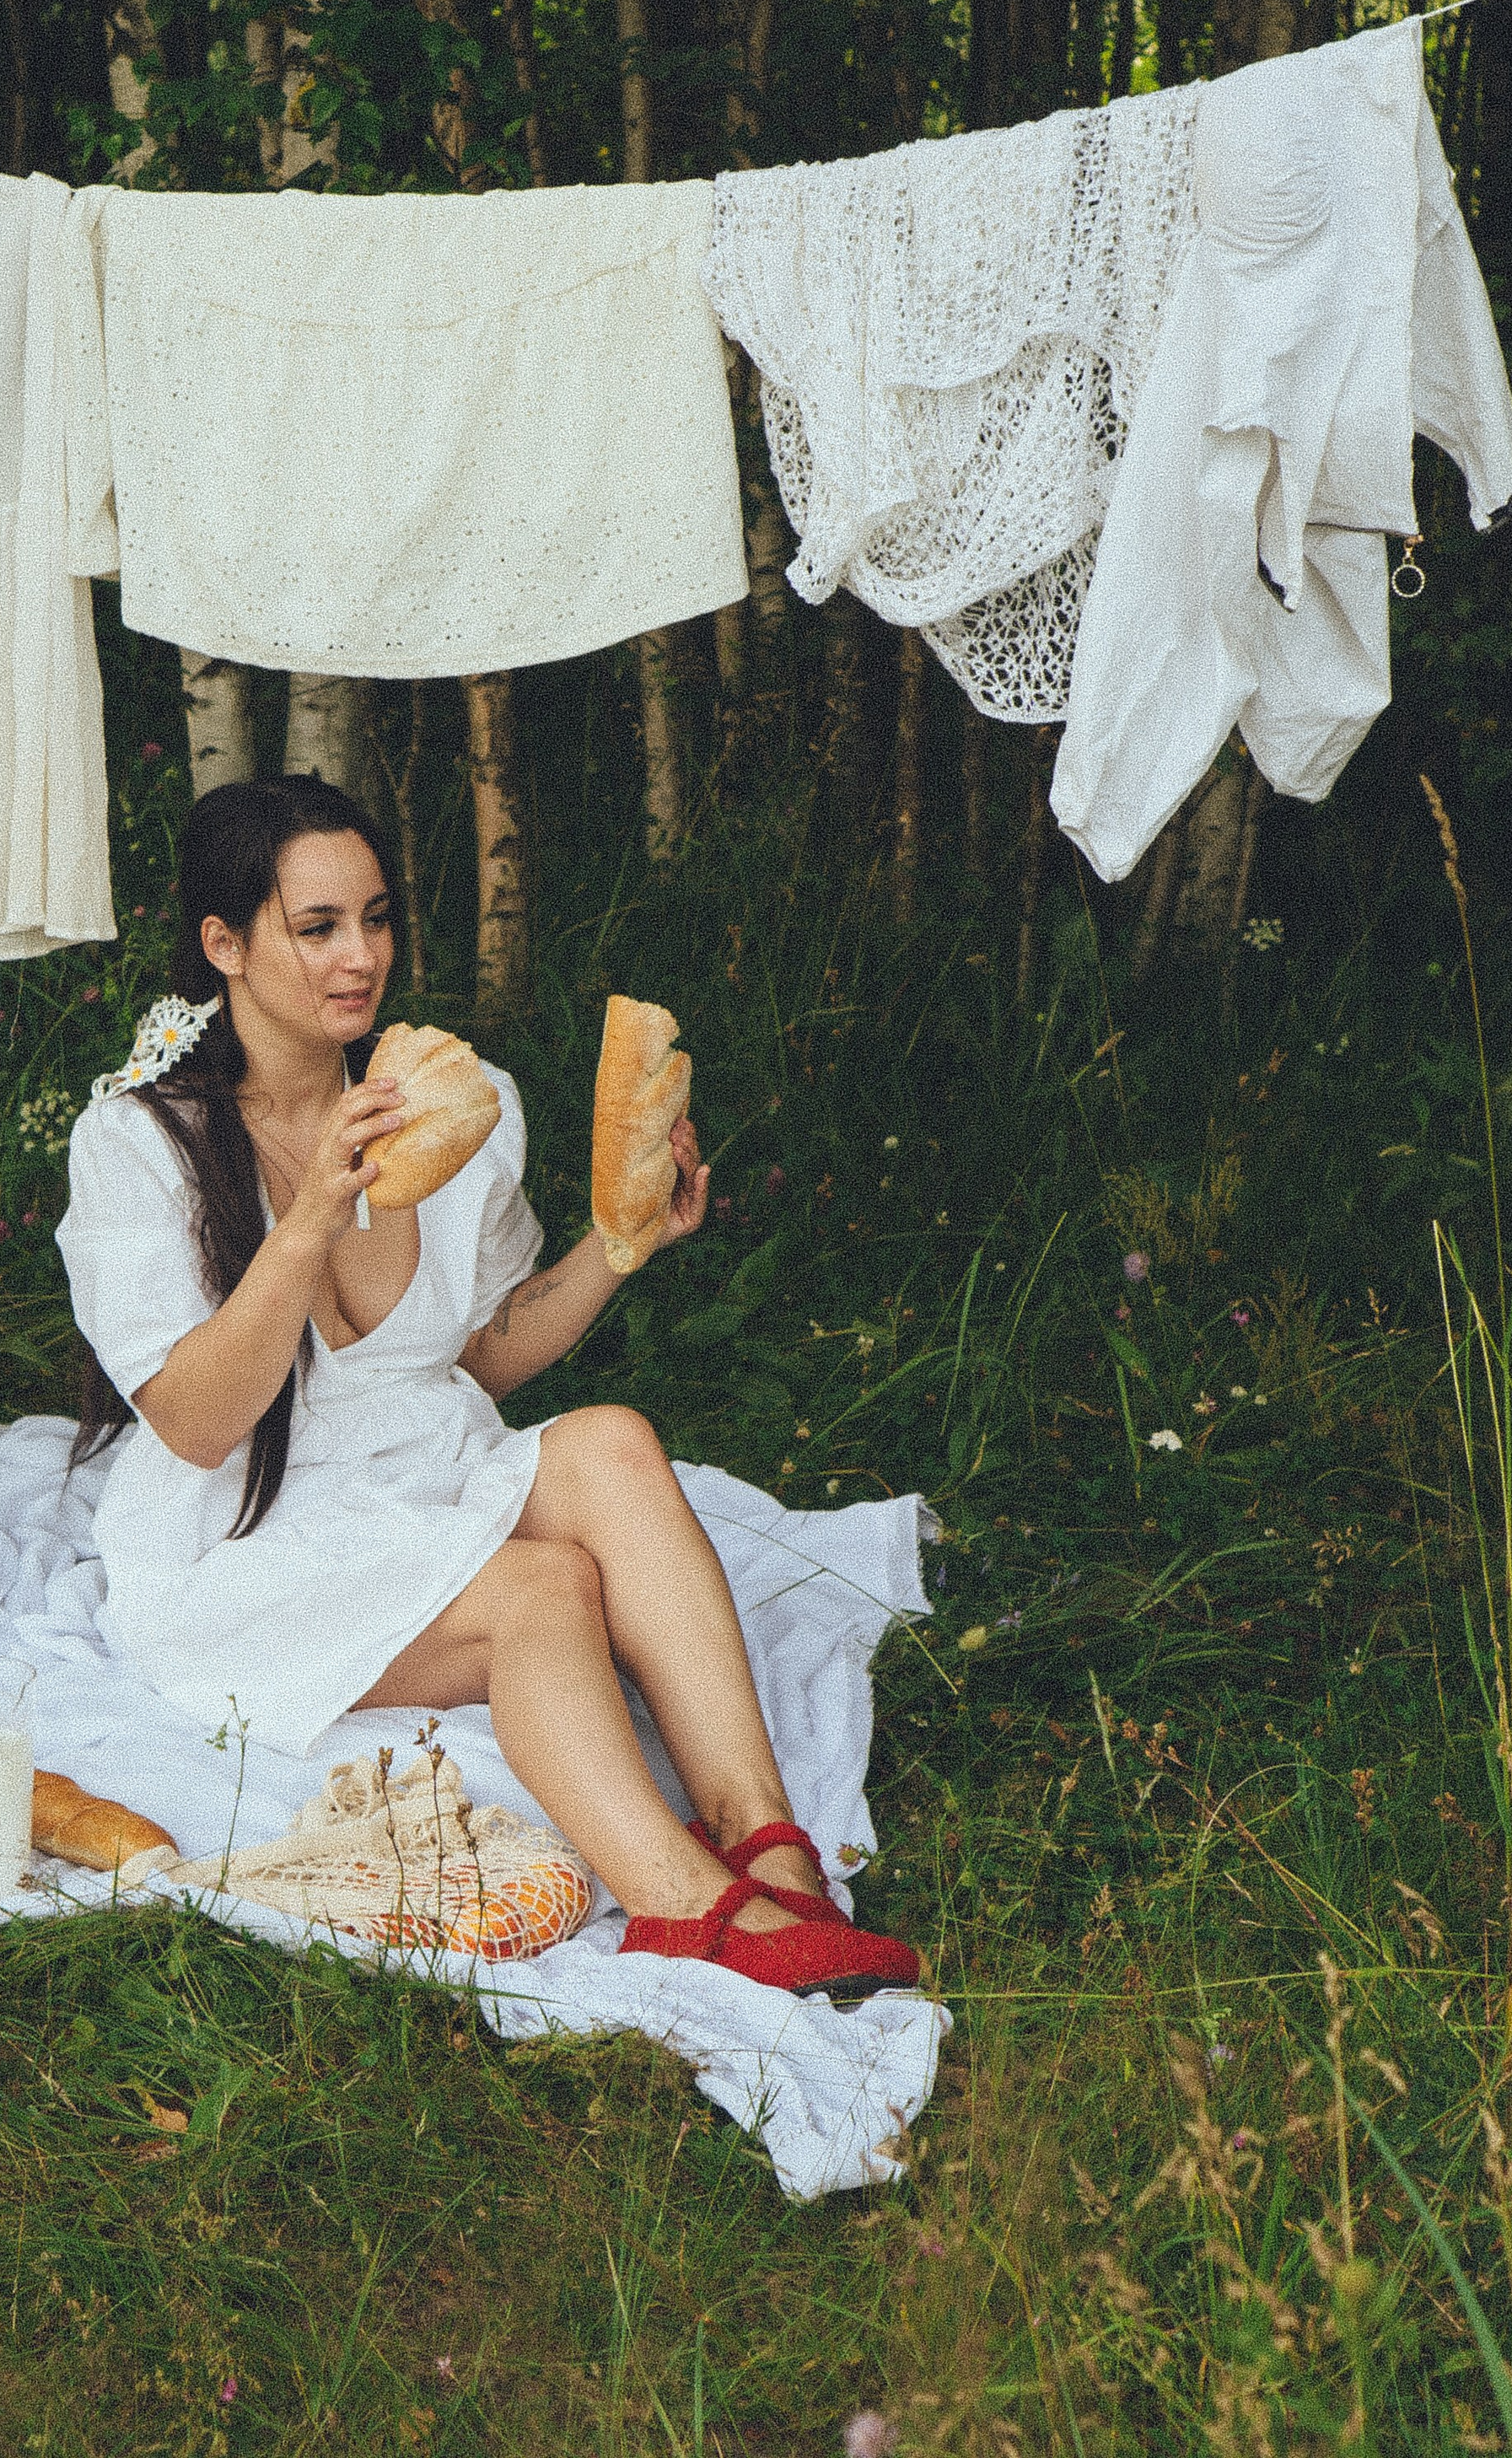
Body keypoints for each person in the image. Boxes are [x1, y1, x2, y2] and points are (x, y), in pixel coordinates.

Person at [58, 772, 919, 1996]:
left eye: (377, 916)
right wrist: (305, 1216)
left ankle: (766, 1851)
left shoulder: (457, 1106)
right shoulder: (137, 1147)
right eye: (318, 928)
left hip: (421, 1470)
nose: (362, 958)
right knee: (542, 1588)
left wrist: (624, 1246)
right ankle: (679, 1909)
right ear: (225, 945)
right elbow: (195, 1425)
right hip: (250, 1540)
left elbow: (481, 1352)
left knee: (614, 1437)